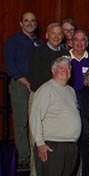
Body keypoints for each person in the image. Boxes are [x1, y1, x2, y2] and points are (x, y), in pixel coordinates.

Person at [30, 57, 81, 176]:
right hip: (51, 145)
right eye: (61, 68)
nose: (65, 71)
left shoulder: (70, 91)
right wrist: (40, 143)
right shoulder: (45, 90)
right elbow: (35, 117)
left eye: (68, 68)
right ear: (53, 71)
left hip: (69, 145)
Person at [5, 13, 41, 163]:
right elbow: (10, 65)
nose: (29, 23)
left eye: (33, 20)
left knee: (36, 122)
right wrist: (26, 83)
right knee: (21, 123)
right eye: (26, 20)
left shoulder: (39, 43)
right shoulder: (13, 41)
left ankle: (35, 158)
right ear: (21, 23)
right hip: (20, 85)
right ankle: (23, 159)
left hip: (37, 87)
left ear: (36, 24)